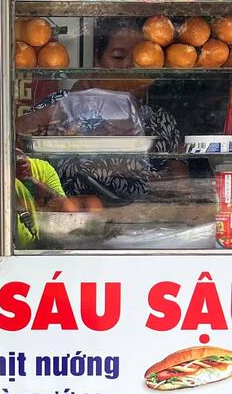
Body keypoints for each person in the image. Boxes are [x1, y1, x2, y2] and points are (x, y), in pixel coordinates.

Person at [18, 18, 184, 199]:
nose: (129, 65)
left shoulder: (160, 119)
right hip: (69, 213)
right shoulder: (65, 102)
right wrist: (69, 104)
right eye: (118, 57)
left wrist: (157, 184)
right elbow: (13, 138)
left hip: (143, 215)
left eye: (141, 58)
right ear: (98, 60)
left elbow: (182, 187)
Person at [15, 151, 64, 247]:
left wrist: (35, 182)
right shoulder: (0, 175)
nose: (20, 166)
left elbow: (63, 205)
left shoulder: (43, 168)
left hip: (49, 233)